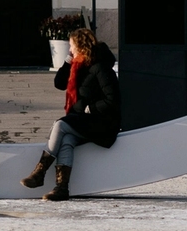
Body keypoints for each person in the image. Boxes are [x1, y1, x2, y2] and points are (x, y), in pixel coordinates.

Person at [21, 27, 120, 200]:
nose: (70, 49)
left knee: (61, 124)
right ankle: (62, 188)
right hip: (84, 120)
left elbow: (113, 100)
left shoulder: (100, 67)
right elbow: (59, 83)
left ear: (81, 46)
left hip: (101, 122)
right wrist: (68, 61)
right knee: (66, 139)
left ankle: (40, 172)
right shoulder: (78, 66)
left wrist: (90, 108)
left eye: (72, 46)